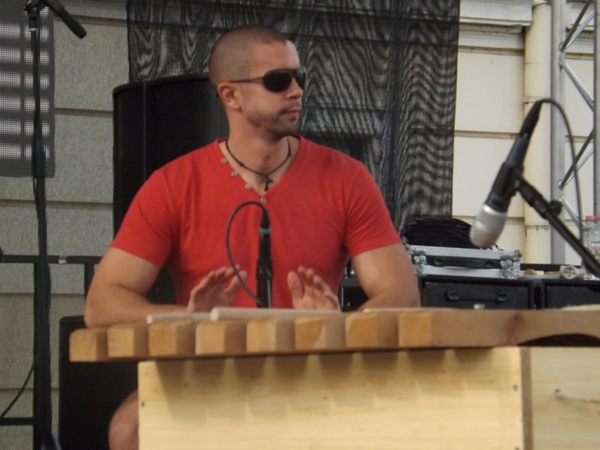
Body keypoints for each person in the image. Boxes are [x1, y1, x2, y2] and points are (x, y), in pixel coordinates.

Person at [84, 24, 420, 450]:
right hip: (209, 372)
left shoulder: (347, 178)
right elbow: (101, 304)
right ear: (231, 95)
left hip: (314, 369)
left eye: (300, 77)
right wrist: (187, 318)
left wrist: (339, 327)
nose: (296, 91)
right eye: (278, 80)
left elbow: (401, 294)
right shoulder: (172, 184)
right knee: (130, 430)